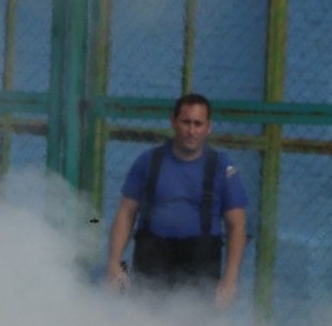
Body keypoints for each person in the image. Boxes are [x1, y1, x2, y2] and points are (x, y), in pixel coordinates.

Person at [106, 93, 248, 307]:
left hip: (200, 261)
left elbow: (237, 226)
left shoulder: (221, 166)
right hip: (152, 257)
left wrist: (230, 280)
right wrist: (114, 263)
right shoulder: (148, 162)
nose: (191, 131)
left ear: (208, 127)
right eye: (186, 122)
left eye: (198, 124)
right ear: (173, 121)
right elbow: (126, 213)